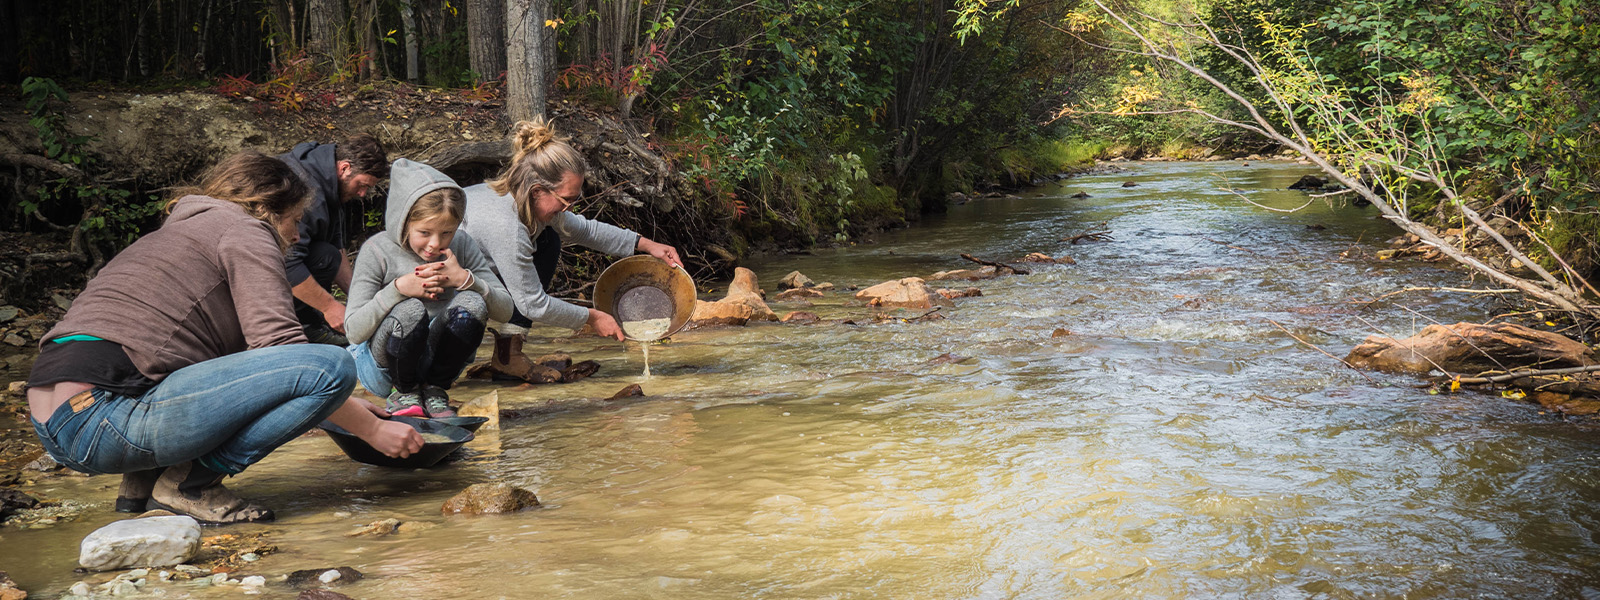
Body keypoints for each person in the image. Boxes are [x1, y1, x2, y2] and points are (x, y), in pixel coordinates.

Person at [24, 150, 423, 525]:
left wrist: (347, 406)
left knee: (276, 372)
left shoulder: (183, 231)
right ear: (267, 209)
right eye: (296, 220)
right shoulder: (246, 230)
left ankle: (139, 490)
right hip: (101, 418)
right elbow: (286, 354)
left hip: (57, 417)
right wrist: (370, 431)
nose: (299, 235)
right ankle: (189, 485)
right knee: (332, 364)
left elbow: (214, 370)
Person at [461, 117, 682, 381]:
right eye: (567, 200)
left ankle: (507, 356)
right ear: (538, 190)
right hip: (446, 287)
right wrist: (591, 317)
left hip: (479, 274)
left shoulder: (530, 202)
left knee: (548, 240)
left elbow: (585, 230)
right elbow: (533, 304)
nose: (571, 207)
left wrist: (646, 245)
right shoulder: (506, 225)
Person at [344, 159, 513, 418]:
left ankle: (435, 390)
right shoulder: (376, 251)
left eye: (446, 233)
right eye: (424, 232)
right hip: (383, 369)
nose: (435, 244)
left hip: (435, 360)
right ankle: (404, 392)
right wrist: (398, 289)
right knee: (410, 308)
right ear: (404, 222)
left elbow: (506, 311)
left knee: (474, 303)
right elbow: (353, 331)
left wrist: (466, 280)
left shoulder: (462, 245)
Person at [277, 133, 390, 346]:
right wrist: (330, 308)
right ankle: (305, 329)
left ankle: (312, 323)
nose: (363, 194)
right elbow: (287, 263)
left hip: (281, 262)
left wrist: (363, 302)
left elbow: (337, 251)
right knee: (321, 256)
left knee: (326, 255)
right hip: (253, 270)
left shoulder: (329, 182)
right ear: (344, 168)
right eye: (362, 185)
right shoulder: (307, 192)